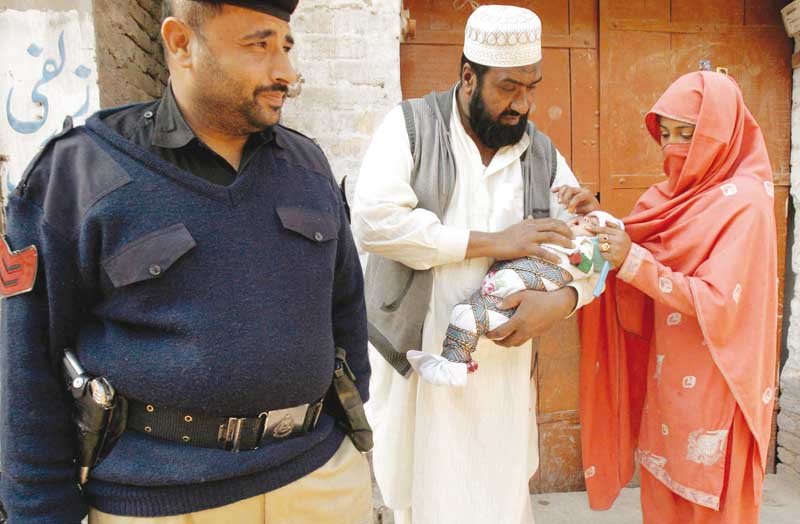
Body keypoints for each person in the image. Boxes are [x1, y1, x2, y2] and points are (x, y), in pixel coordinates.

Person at [0, 1, 372, 523]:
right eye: (259, 45)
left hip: (320, 482)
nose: (286, 71)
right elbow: (27, 368)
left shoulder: (307, 165)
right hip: (161, 504)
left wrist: (347, 447)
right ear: (180, 43)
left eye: (286, 46)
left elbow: (346, 311)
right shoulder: (79, 174)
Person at [352, 5, 600, 523]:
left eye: (532, 87)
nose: (523, 103)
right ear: (469, 76)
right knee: (422, 500)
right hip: (417, 362)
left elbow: (592, 251)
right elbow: (374, 223)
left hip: (502, 376)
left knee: (498, 504)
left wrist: (563, 299)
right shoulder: (411, 127)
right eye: (509, 87)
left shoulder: (543, 155)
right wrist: (495, 242)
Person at [580, 71, 777, 523]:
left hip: (719, 386)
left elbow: (719, 301)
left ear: (720, 134)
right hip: (668, 382)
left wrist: (632, 259)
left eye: (687, 134)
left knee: (706, 505)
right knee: (663, 500)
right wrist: (599, 224)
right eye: (665, 134)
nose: (673, 147)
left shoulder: (744, 204)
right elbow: (639, 247)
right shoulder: (671, 199)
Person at [407, 211, 623, 387]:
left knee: (466, 317)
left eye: (591, 222)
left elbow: (594, 280)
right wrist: (497, 242)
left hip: (509, 350)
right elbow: (383, 227)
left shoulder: (547, 164)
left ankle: (454, 365)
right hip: (423, 322)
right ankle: (452, 363)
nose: (582, 219)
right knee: (462, 315)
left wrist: (565, 300)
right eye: (585, 217)